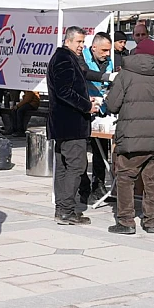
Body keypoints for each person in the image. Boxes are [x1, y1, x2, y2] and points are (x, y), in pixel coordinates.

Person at [106, 38, 154, 234]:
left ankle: (126, 221)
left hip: (131, 137)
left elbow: (112, 105)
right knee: (153, 179)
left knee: (126, 177)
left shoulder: (124, 76)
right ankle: (151, 221)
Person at [47, 26, 99, 225]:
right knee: (76, 165)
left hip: (63, 122)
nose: (81, 46)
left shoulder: (65, 58)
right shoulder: (63, 58)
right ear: (68, 41)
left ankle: (62, 208)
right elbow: (64, 91)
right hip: (70, 123)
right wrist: (87, 106)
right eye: (79, 42)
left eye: (83, 42)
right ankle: (66, 209)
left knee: (64, 166)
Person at [77, 32, 114, 202]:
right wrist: (107, 77)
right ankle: (83, 188)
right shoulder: (82, 58)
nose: (107, 54)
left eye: (109, 50)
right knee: (81, 152)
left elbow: (108, 85)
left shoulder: (109, 62)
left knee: (101, 151)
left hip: (102, 111)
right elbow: (85, 74)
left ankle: (98, 186)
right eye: (104, 50)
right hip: (83, 110)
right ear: (94, 48)